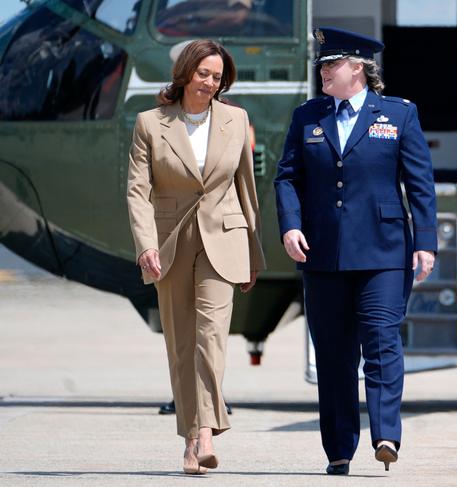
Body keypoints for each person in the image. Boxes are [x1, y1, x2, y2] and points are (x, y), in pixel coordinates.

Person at [274, 27, 437, 474]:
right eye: (322, 64)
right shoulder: (307, 115)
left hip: (384, 251)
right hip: (323, 252)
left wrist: (425, 242)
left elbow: (420, 182)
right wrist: (290, 226)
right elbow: (287, 177)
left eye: (332, 64)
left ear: (359, 69)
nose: (323, 71)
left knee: (382, 342)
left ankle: (386, 435)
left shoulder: (399, 114)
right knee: (333, 354)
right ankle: (339, 449)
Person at [127, 39, 265, 474]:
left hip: (223, 240)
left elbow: (246, 189)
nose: (210, 82)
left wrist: (253, 254)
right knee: (182, 343)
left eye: (218, 77)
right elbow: (137, 190)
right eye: (203, 73)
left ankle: (203, 434)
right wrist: (146, 243)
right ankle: (192, 436)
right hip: (169, 242)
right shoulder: (150, 123)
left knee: (210, 336)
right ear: (186, 72)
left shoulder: (236, 120)